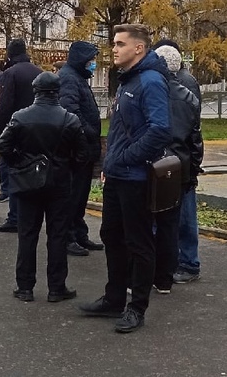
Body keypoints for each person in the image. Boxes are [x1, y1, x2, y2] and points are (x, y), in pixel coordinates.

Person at [79, 24, 171, 334]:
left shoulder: (151, 81)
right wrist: (110, 162)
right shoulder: (128, 81)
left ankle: (136, 307)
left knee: (139, 242)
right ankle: (114, 298)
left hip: (136, 177)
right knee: (111, 236)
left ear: (139, 49)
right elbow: (120, 130)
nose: (114, 49)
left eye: (120, 44)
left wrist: (127, 158)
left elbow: (160, 130)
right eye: (113, 43)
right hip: (117, 175)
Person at [0, 71, 87, 303]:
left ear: (35, 92)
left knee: (27, 235)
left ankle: (25, 286)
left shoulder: (20, 117)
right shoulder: (70, 119)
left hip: (28, 183)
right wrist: (67, 169)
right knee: (57, 236)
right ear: (57, 92)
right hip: (59, 185)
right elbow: (82, 155)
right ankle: (57, 288)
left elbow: (3, 145)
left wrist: (20, 163)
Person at [152, 44, 203, 293]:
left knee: (162, 218)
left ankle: (171, 266)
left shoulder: (155, 90)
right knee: (181, 218)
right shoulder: (188, 90)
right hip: (182, 164)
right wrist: (193, 169)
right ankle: (183, 264)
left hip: (160, 164)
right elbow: (195, 137)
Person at [57, 40, 104, 257]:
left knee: (81, 194)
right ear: (81, 60)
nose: (93, 64)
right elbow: (70, 110)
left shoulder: (78, 77)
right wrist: (90, 132)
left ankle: (79, 233)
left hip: (84, 148)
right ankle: (68, 237)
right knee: (72, 195)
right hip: (76, 149)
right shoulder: (69, 78)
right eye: (91, 60)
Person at [0, 38, 42, 234]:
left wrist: (2, 133)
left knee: (13, 174)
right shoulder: (38, 72)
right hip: (36, 130)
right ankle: (31, 215)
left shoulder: (9, 74)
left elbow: (5, 106)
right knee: (32, 173)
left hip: (16, 130)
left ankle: (14, 218)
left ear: (9, 53)